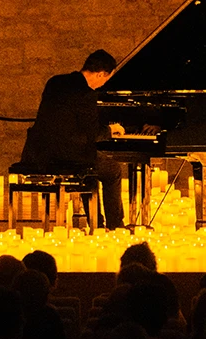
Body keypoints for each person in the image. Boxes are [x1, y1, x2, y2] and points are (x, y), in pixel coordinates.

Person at [14, 49, 125, 229]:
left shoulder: (54, 82)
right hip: (66, 156)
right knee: (113, 169)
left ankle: (97, 224)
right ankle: (115, 226)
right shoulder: (86, 94)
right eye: (106, 79)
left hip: (38, 152)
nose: (104, 83)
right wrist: (111, 130)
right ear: (100, 74)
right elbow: (93, 133)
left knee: (90, 170)